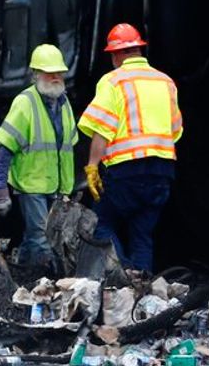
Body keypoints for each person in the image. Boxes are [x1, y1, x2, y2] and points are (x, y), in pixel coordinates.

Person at [76, 23, 181, 273]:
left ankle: (119, 277)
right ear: (138, 50)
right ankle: (140, 284)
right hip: (162, 171)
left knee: (103, 224)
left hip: (126, 171)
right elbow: (176, 130)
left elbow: (102, 128)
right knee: (142, 234)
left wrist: (92, 167)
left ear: (116, 54)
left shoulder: (113, 81)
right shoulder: (165, 81)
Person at [0, 44, 77, 268]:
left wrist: (68, 190)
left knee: (43, 238)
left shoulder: (64, 104)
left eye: (59, 72)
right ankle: (44, 280)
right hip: (31, 184)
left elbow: (68, 149)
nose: (56, 77)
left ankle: (22, 270)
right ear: (36, 74)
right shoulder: (25, 102)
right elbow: (6, 148)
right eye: (50, 73)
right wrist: (0, 189)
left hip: (57, 187)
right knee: (42, 238)